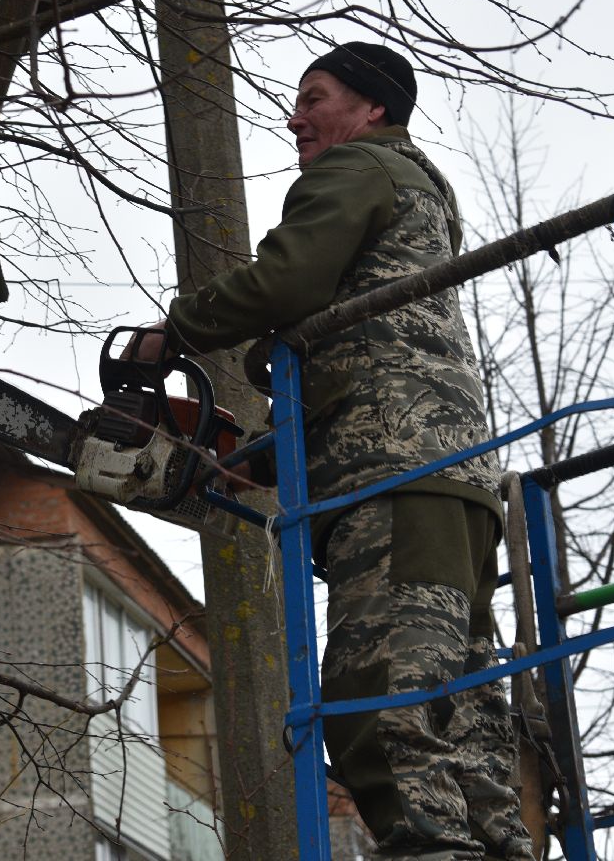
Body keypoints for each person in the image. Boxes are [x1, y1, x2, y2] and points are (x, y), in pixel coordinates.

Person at [132, 43, 533, 861]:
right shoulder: (419, 190)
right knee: (458, 695)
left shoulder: (357, 169)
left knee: (373, 688)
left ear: (371, 108)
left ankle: (430, 848)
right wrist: (269, 455)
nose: (296, 119)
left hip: (392, 477)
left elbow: (287, 281)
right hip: (449, 476)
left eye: (315, 98)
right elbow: (377, 350)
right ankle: (498, 846)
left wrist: (174, 331)